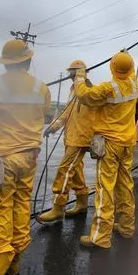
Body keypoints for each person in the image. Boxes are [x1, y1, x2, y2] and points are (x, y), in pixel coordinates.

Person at [0, 39, 51, 275]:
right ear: (28, 59)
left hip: (1, 159)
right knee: (20, 208)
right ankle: (12, 264)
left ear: (5, 63)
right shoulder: (41, 88)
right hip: (28, 157)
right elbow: (42, 112)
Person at [72, 50, 138, 249]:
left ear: (112, 67)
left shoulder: (107, 88)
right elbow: (130, 69)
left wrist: (79, 76)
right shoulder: (135, 84)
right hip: (127, 143)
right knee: (125, 185)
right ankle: (127, 227)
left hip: (110, 144)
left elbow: (83, 95)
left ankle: (100, 237)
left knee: (105, 189)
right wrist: (125, 57)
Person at [37, 60, 98, 223]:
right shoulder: (73, 90)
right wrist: (54, 126)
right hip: (71, 136)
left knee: (65, 169)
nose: (70, 75)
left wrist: (81, 81)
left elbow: (90, 104)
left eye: (73, 72)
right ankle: (82, 202)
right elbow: (66, 112)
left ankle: (58, 207)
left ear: (79, 73)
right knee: (75, 169)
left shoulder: (88, 89)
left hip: (81, 138)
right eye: (70, 72)